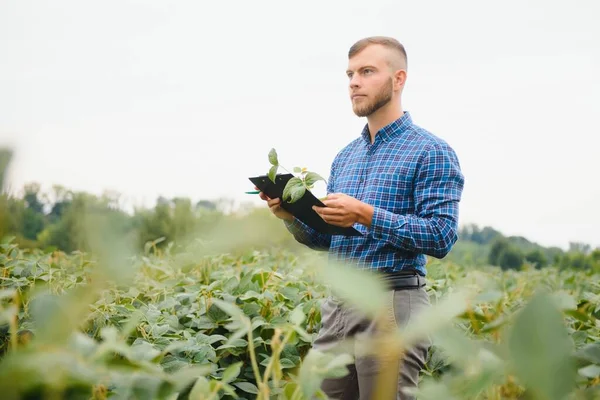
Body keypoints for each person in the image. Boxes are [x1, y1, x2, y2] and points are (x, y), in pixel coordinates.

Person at [256, 36, 464, 400]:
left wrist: (367, 215)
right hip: (339, 305)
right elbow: (329, 238)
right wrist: (291, 216)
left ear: (398, 80)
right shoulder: (346, 157)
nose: (354, 81)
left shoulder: (431, 151)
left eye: (367, 71)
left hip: (392, 302)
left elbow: (441, 235)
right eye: (350, 73)